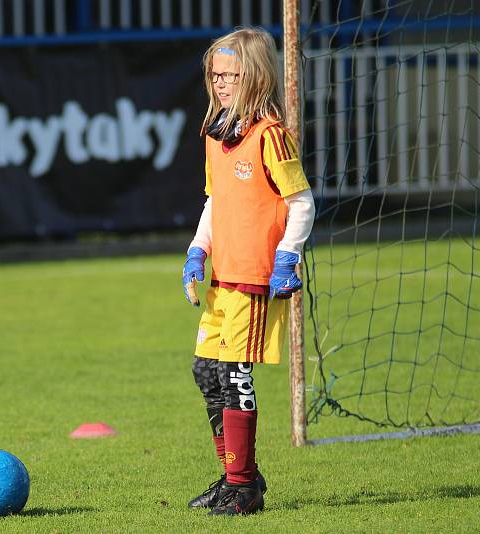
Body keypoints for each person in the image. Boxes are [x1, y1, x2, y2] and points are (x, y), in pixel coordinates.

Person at [182, 27, 315, 516]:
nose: (220, 84)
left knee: (236, 375)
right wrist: (198, 250)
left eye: (231, 75)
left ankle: (243, 488)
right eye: (215, 75)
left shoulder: (270, 137)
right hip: (223, 277)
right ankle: (237, 477)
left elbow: (301, 203)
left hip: (257, 279)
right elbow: (215, 203)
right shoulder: (215, 134)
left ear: (255, 76)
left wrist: (286, 258)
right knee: (206, 371)